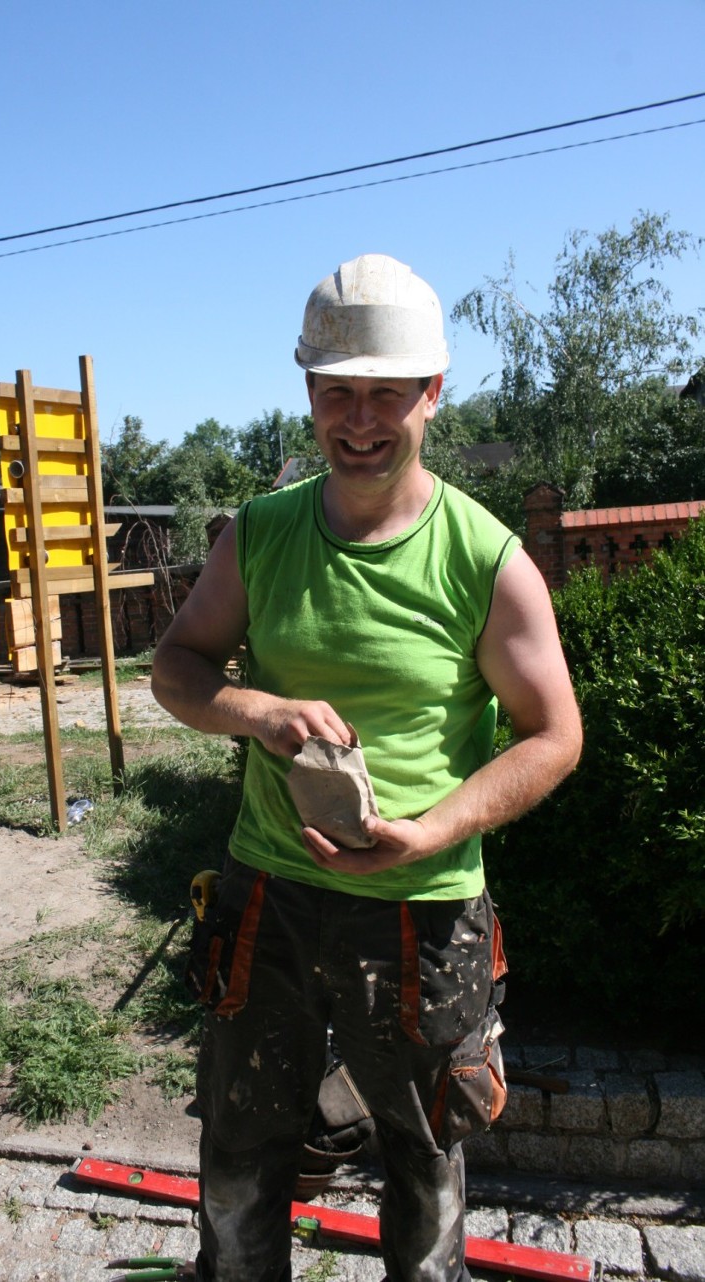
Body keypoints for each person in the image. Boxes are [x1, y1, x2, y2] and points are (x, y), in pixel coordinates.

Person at [151, 253, 582, 1282]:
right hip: (269, 900)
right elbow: (177, 665)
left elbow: (553, 734)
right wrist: (256, 710)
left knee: (424, 1164)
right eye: (336, 391)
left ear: (434, 392)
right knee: (240, 1156)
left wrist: (432, 830)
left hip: (423, 910)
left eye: (387, 393)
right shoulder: (260, 534)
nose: (359, 419)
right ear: (307, 393)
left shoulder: (484, 559)